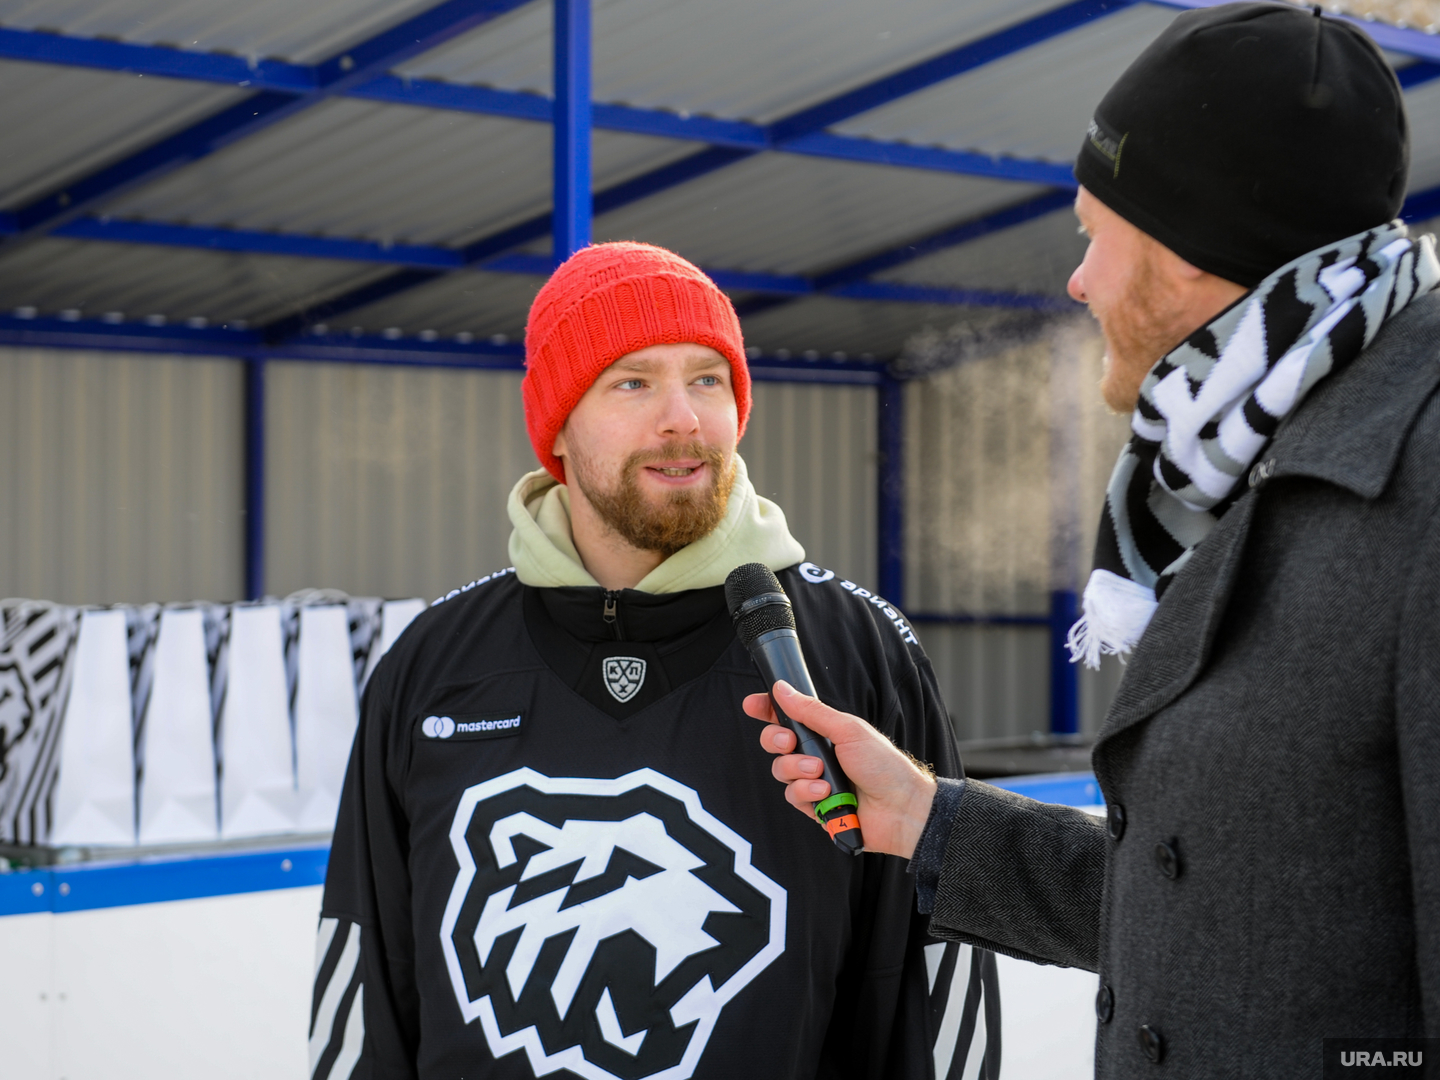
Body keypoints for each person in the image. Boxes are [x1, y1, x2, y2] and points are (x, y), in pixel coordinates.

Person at [752, 3, 1440, 1074]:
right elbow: (1211, 904)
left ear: (1194, 247)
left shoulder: (1418, 480)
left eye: (1092, 231)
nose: (1077, 281)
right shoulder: (1229, 469)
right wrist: (931, 820)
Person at [310, 242, 996, 1080]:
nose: (685, 418)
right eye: (633, 382)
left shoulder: (855, 649)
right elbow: (365, 973)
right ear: (558, 422)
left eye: (707, 379)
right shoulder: (433, 665)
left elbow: (931, 976)